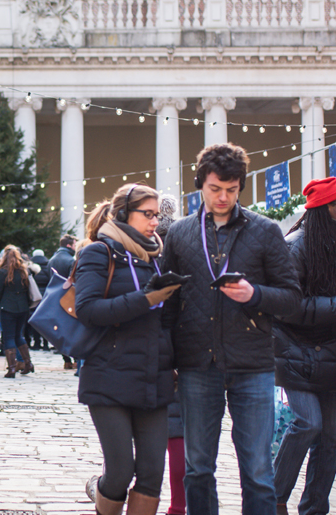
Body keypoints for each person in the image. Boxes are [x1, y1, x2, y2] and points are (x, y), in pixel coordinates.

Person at [159, 144, 301, 515]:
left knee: (257, 470)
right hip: (195, 364)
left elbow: (291, 298)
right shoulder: (180, 234)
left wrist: (255, 294)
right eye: (215, 189)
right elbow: (168, 302)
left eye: (232, 190)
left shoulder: (266, 231)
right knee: (198, 467)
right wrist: (167, 357)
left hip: (252, 362)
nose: (223, 197)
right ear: (200, 186)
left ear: (241, 187)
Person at [77, 184, 181, 515]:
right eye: (147, 214)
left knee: (152, 475)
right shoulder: (98, 253)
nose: (154, 222)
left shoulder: (158, 258)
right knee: (121, 471)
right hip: (108, 376)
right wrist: (145, 299)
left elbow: (168, 321)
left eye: (156, 215)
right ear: (123, 215)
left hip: (154, 378)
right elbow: (89, 311)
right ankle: (101, 492)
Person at [273, 178, 336, 515]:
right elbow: (286, 306)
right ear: (326, 209)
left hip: (331, 354)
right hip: (295, 352)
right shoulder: (295, 246)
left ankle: (315, 509)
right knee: (308, 423)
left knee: (330, 442)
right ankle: (271, 500)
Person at [156, 195, 186, 515]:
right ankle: (180, 504)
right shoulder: (186, 253)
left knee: (154, 433)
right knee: (179, 432)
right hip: (182, 350)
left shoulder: (145, 256)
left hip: (161, 352)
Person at [0, 246, 35, 378]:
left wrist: (0, 303)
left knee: (9, 337)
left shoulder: (2, 272)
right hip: (22, 307)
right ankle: (28, 363)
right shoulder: (24, 270)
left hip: (8, 307)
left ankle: (12, 368)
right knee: (19, 335)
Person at [49, 235, 79, 371]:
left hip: (55, 298)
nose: (75, 247)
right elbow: (73, 280)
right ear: (69, 245)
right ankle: (76, 360)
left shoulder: (52, 260)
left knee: (60, 330)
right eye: (74, 244)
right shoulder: (70, 260)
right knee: (72, 329)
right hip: (69, 299)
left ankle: (66, 360)